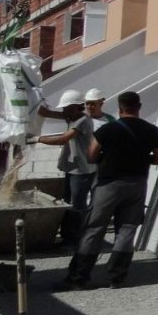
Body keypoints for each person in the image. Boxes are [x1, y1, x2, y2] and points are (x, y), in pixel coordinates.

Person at [62, 90, 158, 290]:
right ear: (139, 107)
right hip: (137, 184)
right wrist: (144, 159)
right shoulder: (152, 130)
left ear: (119, 108)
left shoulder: (107, 130)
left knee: (94, 228)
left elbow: (92, 156)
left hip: (108, 184)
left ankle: (79, 277)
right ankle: (117, 277)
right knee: (127, 229)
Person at [36, 90, 97, 245]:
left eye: (66, 107)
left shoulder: (83, 120)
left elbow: (63, 139)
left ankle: (77, 237)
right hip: (72, 168)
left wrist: (38, 139)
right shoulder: (72, 116)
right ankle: (67, 234)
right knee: (67, 201)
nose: (63, 110)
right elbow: (49, 113)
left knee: (77, 204)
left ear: (77, 107)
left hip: (81, 170)